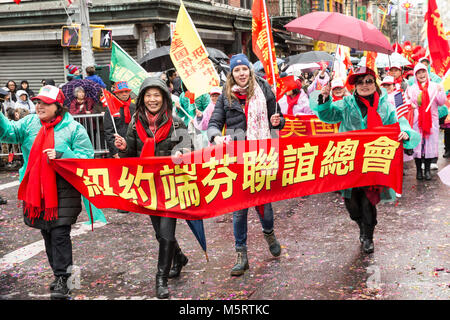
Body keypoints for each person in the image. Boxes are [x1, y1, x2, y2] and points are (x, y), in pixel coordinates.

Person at [0, 85, 94, 299]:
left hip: (64, 190)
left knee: (60, 234)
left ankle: (63, 278)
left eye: (45, 103)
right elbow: (8, 133)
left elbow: (88, 157)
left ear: (58, 106)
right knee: (47, 233)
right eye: (38, 102)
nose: (40, 106)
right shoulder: (30, 123)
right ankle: (59, 275)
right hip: (37, 190)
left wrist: (63, 154)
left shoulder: (73, 128)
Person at [310, 66, 417, 254]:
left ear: (374, 83)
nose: (365, 85)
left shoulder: (385, 105)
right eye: (360, 82)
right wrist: (324, 99)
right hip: (349, 162)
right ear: (355, 86)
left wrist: (405, 133)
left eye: (368, 81)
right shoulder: (346, 104)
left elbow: (401, 124)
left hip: (373, 162)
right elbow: (328, 115)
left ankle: (368, 236)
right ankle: (361, 225)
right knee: (352, 205)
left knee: (368, 201)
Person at [207, 53, 285, 276]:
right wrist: (215, 137)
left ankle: (269, 232)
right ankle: (241, 254)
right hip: (237, 159)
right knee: (239, 209)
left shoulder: (265, 90)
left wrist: (278, 122)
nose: (241, 73)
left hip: (262, 156)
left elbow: (278, 119)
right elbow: (214, 123)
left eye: (244, 69)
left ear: (250, 71)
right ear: (232, 74)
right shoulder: (226, 96)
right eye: (236, 70)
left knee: (265, 206)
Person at [114, 77, 191, 299]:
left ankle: (161, 279)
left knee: (166, 233)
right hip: (147, 187)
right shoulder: (134, 123)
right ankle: (179, 257)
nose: (152, 99)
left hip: (170, 186)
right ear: (142, 99)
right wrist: (124, 147)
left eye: (157, 95)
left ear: (164, 98)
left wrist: (181, 153)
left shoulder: (176, 123)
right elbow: (130, 156)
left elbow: (188, 148)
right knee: (160, 234)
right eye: (148, 95)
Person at [406, 63, 447, 180]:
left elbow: (441, 102)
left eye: (423, 72)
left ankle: (427, 170)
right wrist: (411, 104)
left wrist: (440, 91)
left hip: (431, 121)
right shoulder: (412, 88)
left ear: (427, 73)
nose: (421, 74)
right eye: (419, 73)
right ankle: (419, 170)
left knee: (429, 145)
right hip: (417, 121)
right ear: (415, 75)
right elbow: (407, 101)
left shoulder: (435, 86)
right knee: (417, 145)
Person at [104, 81, 136, 159]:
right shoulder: (111, 108)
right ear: (116, 94)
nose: (124, 94)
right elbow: (108, 132)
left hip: (133, 148)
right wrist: (114, 152)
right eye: (121, 92)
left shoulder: (134, 107)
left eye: (126, 91)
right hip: (118, 149)